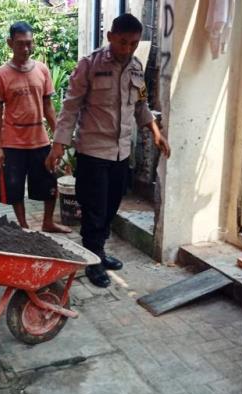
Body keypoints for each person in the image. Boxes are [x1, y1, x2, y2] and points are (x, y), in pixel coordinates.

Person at [46, 14, 171, 288]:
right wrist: (58, 145)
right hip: (92, 152)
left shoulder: (136, 68)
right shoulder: (90, 66)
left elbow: (140, 106)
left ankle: (99, 250)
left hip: (120, 153)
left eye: (134, 43)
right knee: (94, 209)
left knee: (112, 206)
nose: (127, 49)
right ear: (110, 36)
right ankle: (92, 259)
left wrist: (157, 132)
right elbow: (70, 107)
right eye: (123, 42)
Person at [0, 21, 72, 234]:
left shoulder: (42, 70)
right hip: (12, 143)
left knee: (48, 183)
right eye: (20, 44)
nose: (25, 49)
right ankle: (24, 227)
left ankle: (48, 222)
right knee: (15, 188)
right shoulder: (1, 75)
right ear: (10, 43)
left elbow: (48, 107)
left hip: (40, 141)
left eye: (29, 44)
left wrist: (59, 140)